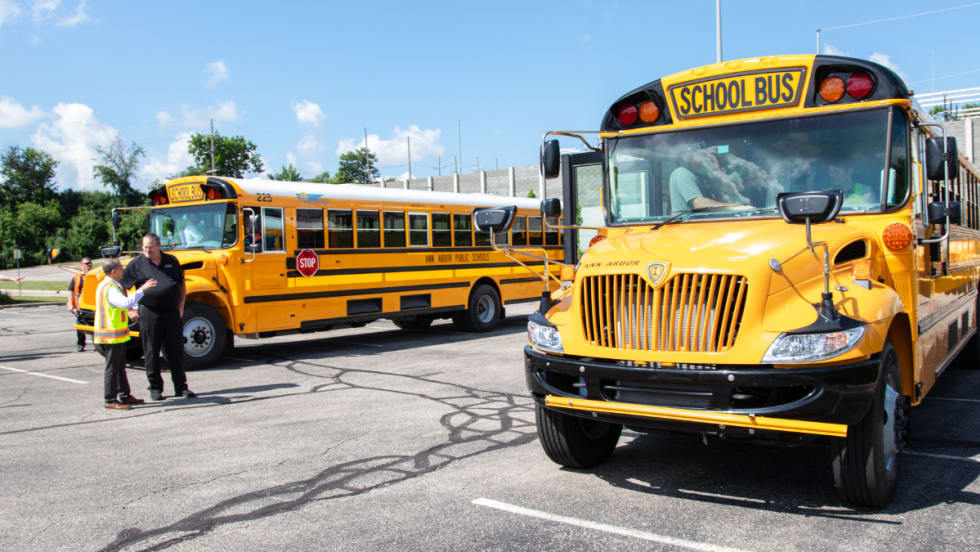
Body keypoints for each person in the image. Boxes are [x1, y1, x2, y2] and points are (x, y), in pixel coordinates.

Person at [121, 233, 197, 400]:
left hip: (171, 312)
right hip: (149, 312)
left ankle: (181, 387)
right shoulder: (136, 264)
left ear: (158, 245)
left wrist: (181, 306)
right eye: (144, 247)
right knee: (151, 351)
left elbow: (181, 284)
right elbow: (122, 286)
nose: (147, 250)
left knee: (175, 351)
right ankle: (155, 388)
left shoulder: (171, 261)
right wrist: (129, 309)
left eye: (150, 247)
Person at [95, 259, 156, 410]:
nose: (123, 271)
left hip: (115, 333)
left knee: (119, 366)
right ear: (113, 272)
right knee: (113, 368)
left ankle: (124, 395)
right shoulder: (110, 288)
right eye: (121, 269)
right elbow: (125, 303)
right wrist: (143, 289)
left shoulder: (108, 285)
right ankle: (110, 399)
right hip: (111, 334)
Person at [669, 147, 749, 213]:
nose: (710, 159)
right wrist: (734, 208)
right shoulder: (682, 173)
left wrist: (728, 148)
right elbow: (699, 203)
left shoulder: (700, 176)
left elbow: (724, 148)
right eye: (705, 156)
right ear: (691, 158)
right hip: (686, 230)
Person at [67, 257, 93, 351]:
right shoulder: (76, 277)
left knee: (96, 325)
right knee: (80, 324)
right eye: (86, 263)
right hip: (81, 305)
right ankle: (81, 344)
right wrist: (70, 303)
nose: (89, 265)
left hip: (93, 305)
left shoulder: (95, 275)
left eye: (90, 263)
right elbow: (70, 291)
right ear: (81, 265)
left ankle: (98, 344)